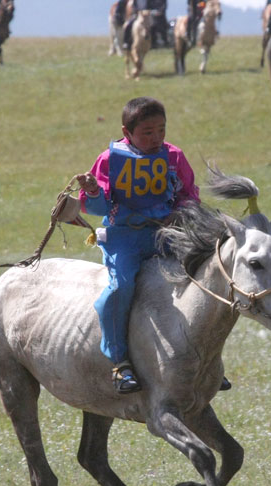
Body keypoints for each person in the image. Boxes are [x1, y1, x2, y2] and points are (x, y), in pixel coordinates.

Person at [75, 97, 200, 394]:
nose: (156, 138)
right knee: (121, 288)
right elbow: (97, 205)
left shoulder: (174, 156)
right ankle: (119, 362)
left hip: (167, 236)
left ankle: (202, 359)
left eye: (161, 130)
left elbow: (188, 193)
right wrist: (92, 189)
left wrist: (181, 213)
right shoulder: (109, 159)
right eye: (147, 132)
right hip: (125, 238)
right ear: (126, 132)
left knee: (203, 278)